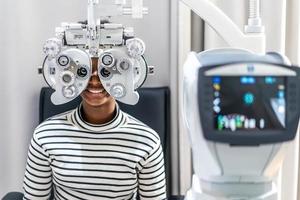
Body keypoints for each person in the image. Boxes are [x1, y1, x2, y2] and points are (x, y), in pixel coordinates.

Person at [23, 57, 166, 200]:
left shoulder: (147, 141)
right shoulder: (45, 135)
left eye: (106, 70)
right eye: (83, 71)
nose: (95, 80)